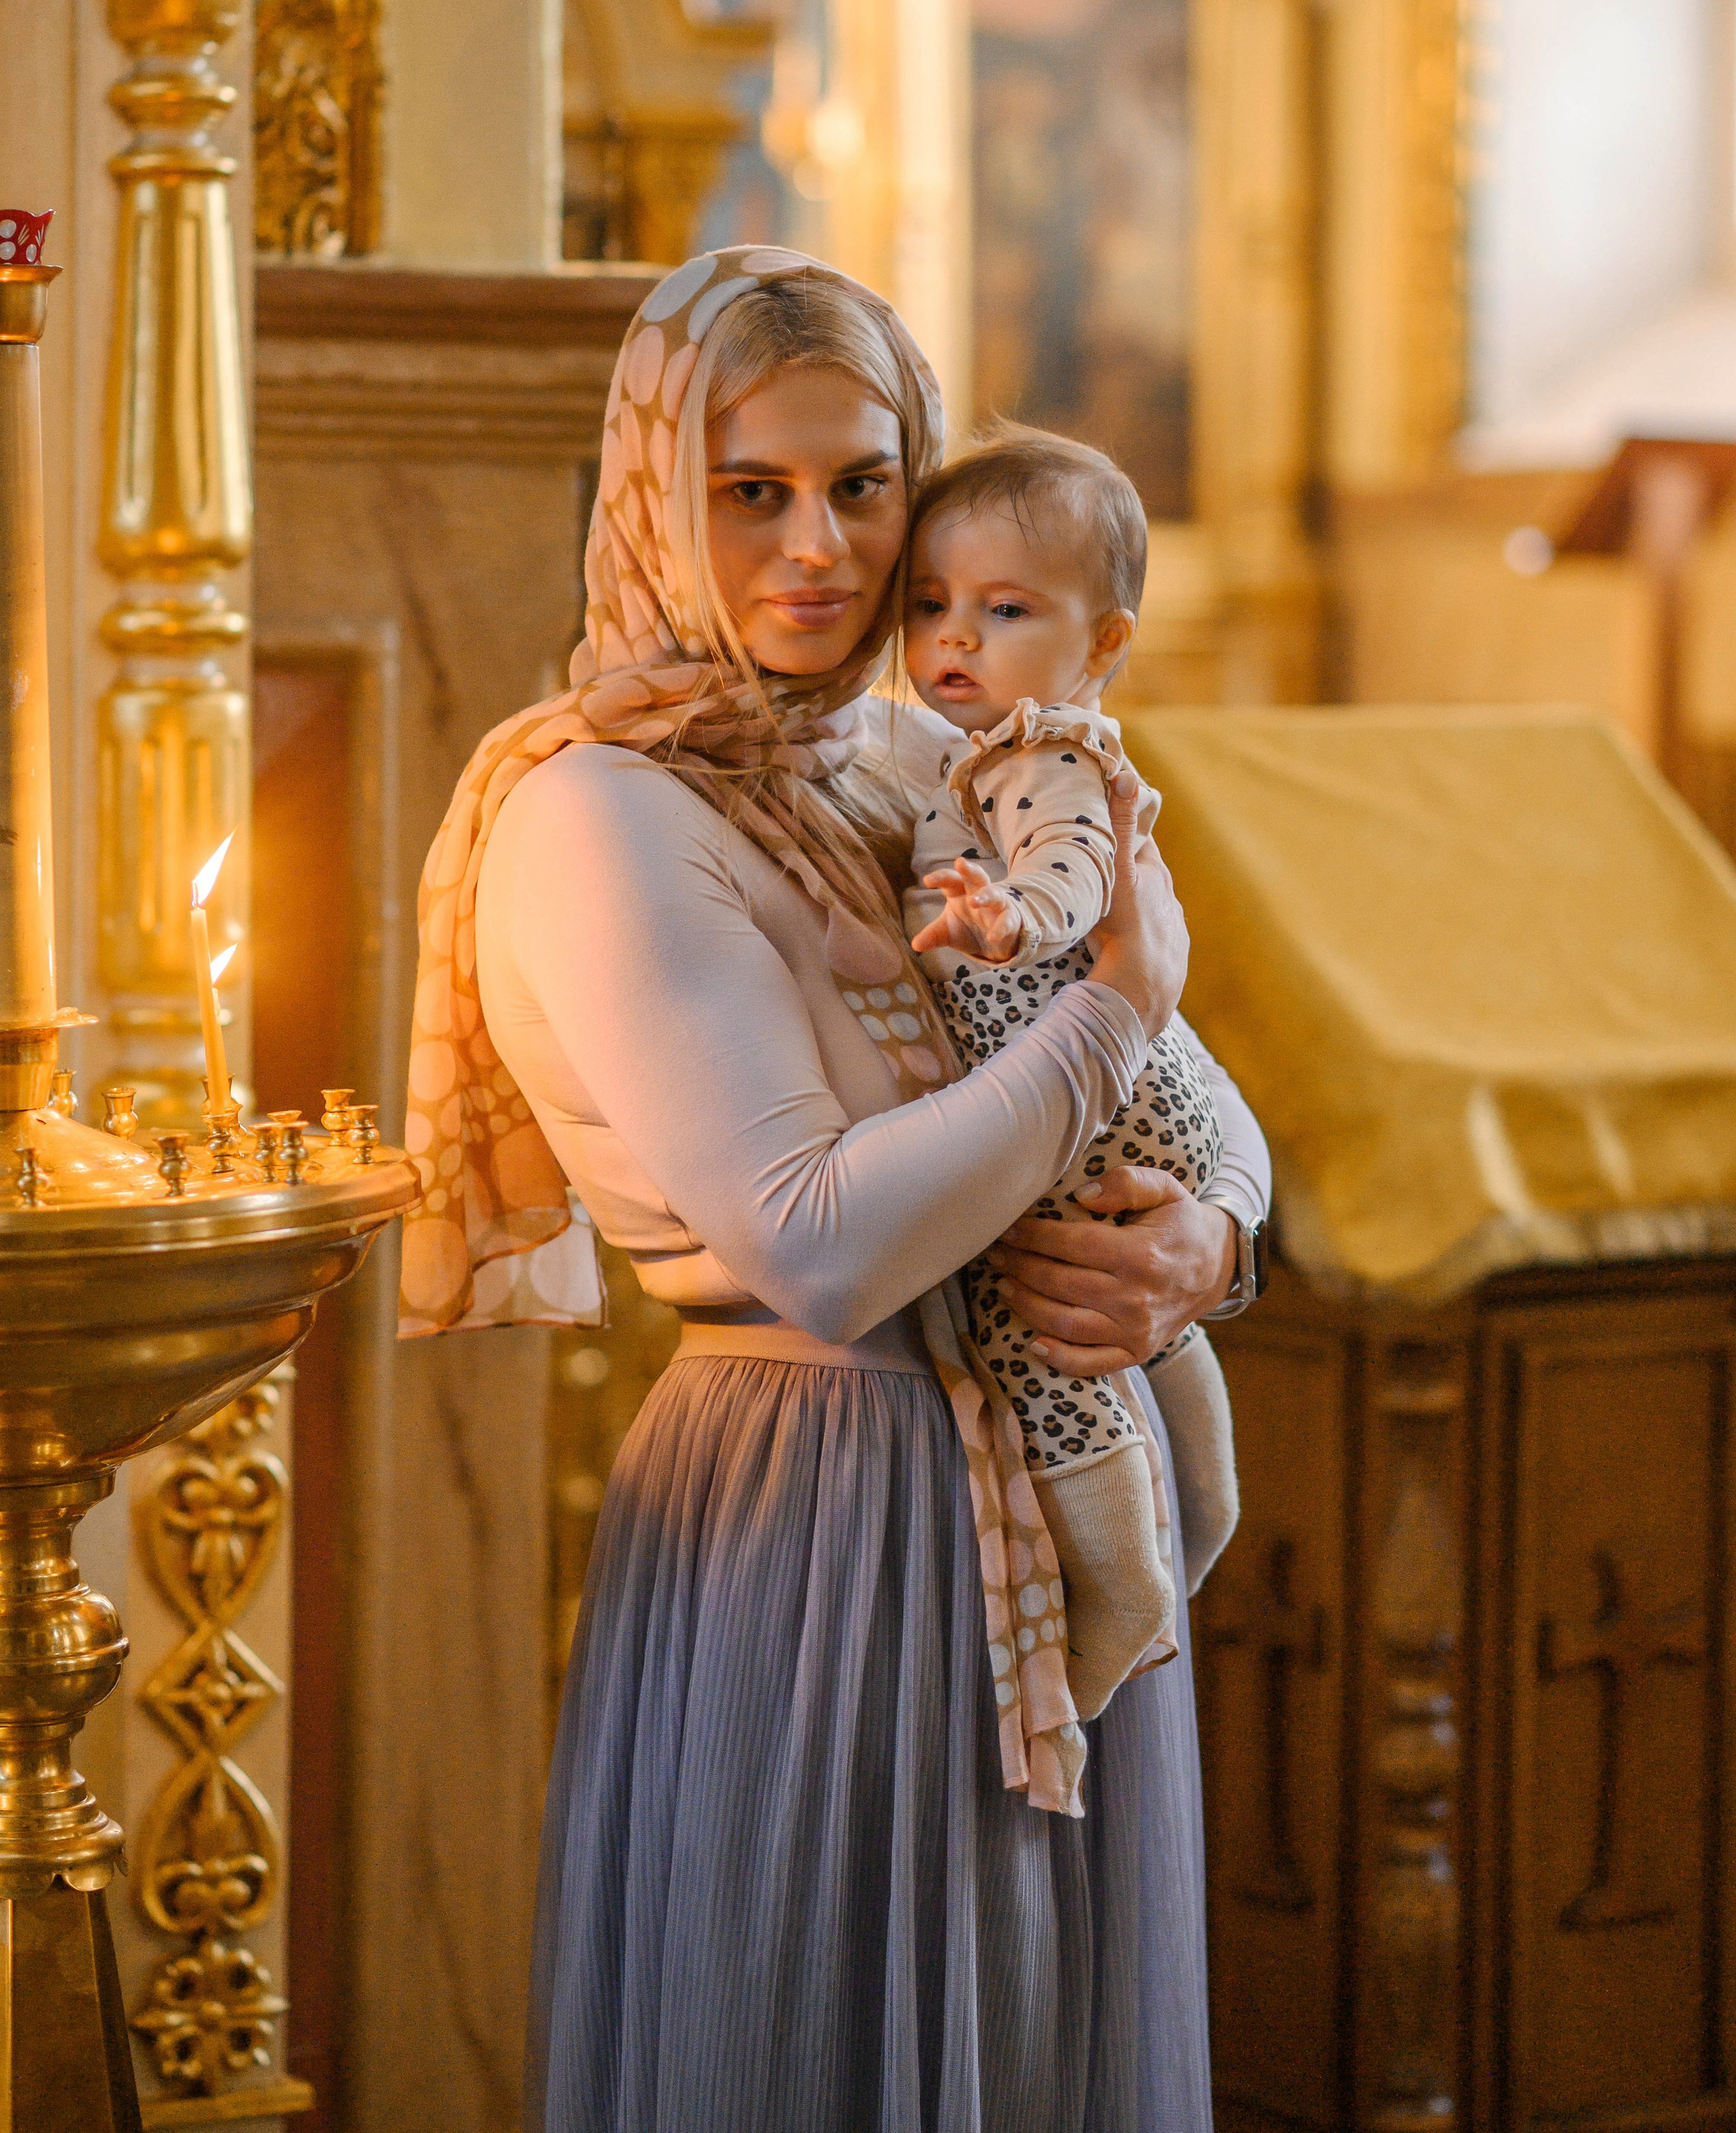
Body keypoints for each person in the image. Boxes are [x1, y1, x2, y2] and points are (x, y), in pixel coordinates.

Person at [399, 247, 1271, 2133]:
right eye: (752, 489)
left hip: (1030, 1497)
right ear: (652, 494)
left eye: (862, 486)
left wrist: (1207, 1245)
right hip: (818, 1509)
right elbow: (813, 1239)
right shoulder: (593, 811)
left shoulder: (926, 757)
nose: (819, 546)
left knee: (1037, 2046)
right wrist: (1121, 1008)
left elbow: (1184, 1104)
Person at [899, 424, 1237, 1724]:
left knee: (1036, 1334)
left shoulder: (1042, 754)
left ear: (1104, 644)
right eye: (932, 607)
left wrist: (1013, 922)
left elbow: (1073, 867)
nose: (955, 640)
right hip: (1148, 1098)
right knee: (1152, 1330)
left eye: (1004, 609)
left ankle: (1124, 1599)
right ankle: (1200, 1521)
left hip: (1092, 1095)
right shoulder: (985, 751)